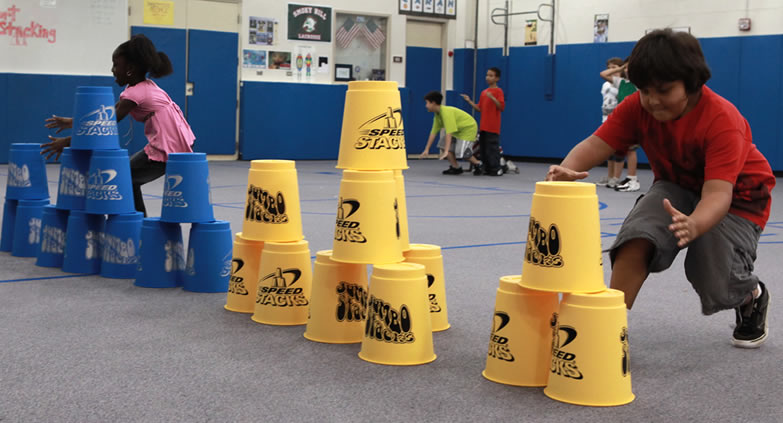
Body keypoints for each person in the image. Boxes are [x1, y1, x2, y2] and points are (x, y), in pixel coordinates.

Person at [547, 29, 774, 348]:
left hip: (738, 197)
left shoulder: (723, 120)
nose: (652, 100)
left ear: (693, 84)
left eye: (664, 90)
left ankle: (750, 294)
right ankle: (607, 327)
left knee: (711, 273)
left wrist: (695, 223)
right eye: (644, 90)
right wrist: (566, 171)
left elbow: (718, 195)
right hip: (677, 186)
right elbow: (596, 143)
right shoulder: (636, 107)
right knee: (637, 235)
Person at [42, 34, 195, 217]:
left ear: (130, 68)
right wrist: (70, 122)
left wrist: (66, 142)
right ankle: (137, 221)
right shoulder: (142, 87)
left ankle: (136, 223)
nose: (112, 70)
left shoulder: (135, 94)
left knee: (124, 177)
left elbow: (102, 128)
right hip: (173, 142)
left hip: (167, 147)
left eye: (116, 65)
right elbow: (106, 115)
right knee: (127, 177)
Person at [419, 91, 481, 175]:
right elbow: (433, 132)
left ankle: (478, 164)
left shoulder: (446, 113)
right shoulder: (437, 114)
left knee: (462, 153)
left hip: (468, 129)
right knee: (442, 144)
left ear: (433, 103)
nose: (426, 106)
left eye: (427, 103)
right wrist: (427, 149)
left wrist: (446, 151)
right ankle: (456, 167)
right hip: (458, 130)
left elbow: (449, 133)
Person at [461, 67, 505, 176]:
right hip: (483, 125)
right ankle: (487, 167)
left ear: (497, 78)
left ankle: (496, 168)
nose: (488, 77)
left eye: (491, 75)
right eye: (487, 75)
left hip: (493, 126)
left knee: (492, 148)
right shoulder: (484, 92)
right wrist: (469, 101)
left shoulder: (498, 91)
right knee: (484, 148)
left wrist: (493, 98)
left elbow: (501, 107)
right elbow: (479, 108)